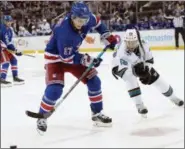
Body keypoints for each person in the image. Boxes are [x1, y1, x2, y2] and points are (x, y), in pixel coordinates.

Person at [36, 2, 117, 133]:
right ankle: (41, 117)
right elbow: (66, 58)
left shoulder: (87, 18)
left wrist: (107, 35)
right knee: (55, 89)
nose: (82, 23)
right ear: (72, 16)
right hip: (55, 59)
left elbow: (98, 23)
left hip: (71, 54)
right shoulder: (64, 32)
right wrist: (87, 59)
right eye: (79, 20)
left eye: (84, 20)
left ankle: (96, 113)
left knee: (94, 81)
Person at [112, 29, 184, 117]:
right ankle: (139, 105)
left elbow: (149, 60)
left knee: (159, 81)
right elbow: (131, 67)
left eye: (133, 42)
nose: (130, 45)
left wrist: (147, 71)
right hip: (120, 65)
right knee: (130, 77)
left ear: (138, 40)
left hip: (138, 63)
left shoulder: (144, 44)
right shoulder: (121, 51)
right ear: (125, 41)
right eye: (128, 42)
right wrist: (142, 73)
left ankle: (173, 98)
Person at [0, 15, 24, 87]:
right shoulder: (1, 28)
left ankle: (15, 77)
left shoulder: (10, 30)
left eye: (10, 21)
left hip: (4, 49)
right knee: (6, 62)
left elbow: (9, 43)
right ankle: (2, 79)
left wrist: (15, 50)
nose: (9, 22)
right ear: (4, 21)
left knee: (14, 60)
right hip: (1, 49)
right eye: (7, 21)